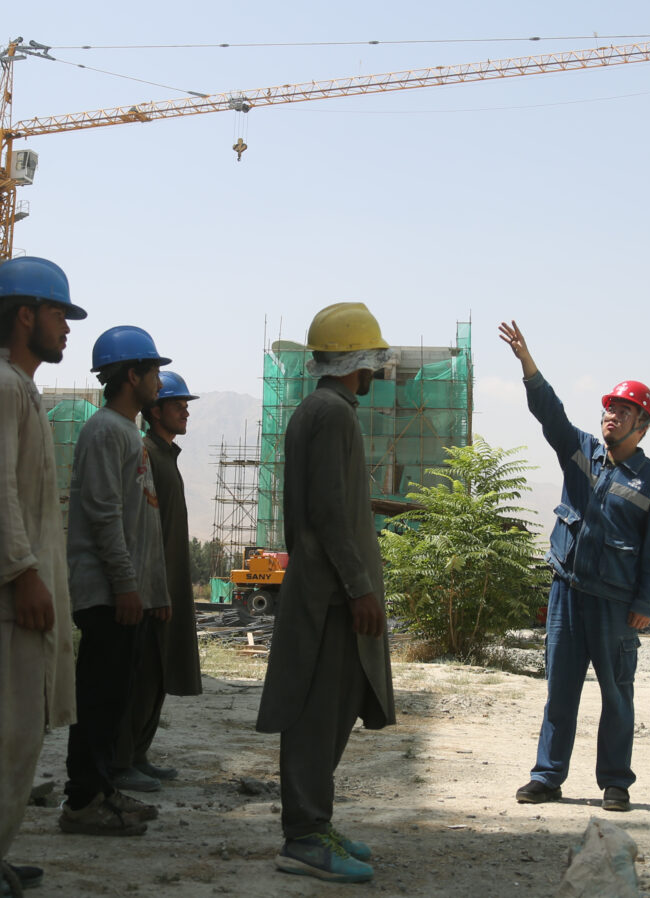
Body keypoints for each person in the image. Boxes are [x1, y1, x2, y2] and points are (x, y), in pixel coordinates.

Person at [0, 256, 85, 890]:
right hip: (4, 606)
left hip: (17, 601)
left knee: (17, 741)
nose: (66, 328)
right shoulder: (2, 388)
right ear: (25, 315)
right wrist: (24, 573)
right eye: (59, 314)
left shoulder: (19, 389)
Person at [499, 320, 650, 813]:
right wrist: (528, 365)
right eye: (608, 408)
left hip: (617, 605)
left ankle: (615, 783)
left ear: (643, 425)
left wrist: (646, 603)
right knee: (560, 691)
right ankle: (547, 776)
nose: (611, 416)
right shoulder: (581, 453)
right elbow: (549, 413)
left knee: (617, 696)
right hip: (567, 593)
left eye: (623, 411)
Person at [255, 302, 396, 884]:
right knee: (317, 715)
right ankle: (306, 835)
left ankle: (315, 822)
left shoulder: (321, 409)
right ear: (358, 359)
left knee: (331, 710)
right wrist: (360, 588)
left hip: (328, 590)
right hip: (332, 595)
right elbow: (331, 516)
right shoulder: (332, 415)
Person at [59, 325, 172, 836]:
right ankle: (83, 800)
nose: (159, 380)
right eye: (153, 371)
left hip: (123, 592)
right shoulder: (106, 431)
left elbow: (139, 522)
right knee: (99, 699)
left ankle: (102, 790)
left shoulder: (126, 432)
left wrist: (151, 590)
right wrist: (126, 586)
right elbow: (104, 516)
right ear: (133, 375)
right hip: (107, 593)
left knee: (113, 699)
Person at [111, 371, 204, 793]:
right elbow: (139, 529)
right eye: (178, 404)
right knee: (141, 674)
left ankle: (138, 753)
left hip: (169, 584)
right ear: (155, 411)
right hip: (154, 588)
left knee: (159, 672)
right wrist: (151, 588)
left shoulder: (167, 456)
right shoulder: (145, 453)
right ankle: (120, 758)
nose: (185, 411)